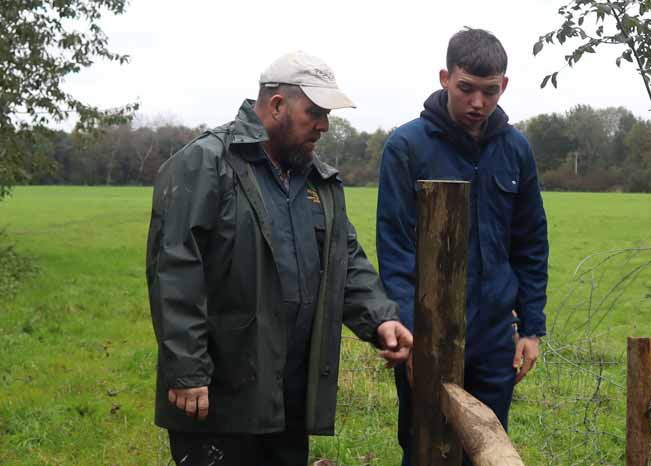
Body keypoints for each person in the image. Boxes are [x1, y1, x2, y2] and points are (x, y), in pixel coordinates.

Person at [146, 50, 413, 466]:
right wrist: (187, 371)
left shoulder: (317, 179)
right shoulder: (207, 163)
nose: (324, 125)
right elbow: (175, 270)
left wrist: (380, 317)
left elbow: (343, 255)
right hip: (221, 392)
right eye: (315, 112)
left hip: (290, 393)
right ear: (276, 105)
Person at [376, 28, 549, 465]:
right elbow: (395, 250)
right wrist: (409, 334)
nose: (478, 103)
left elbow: (530, 243)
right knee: (425, 446)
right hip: (428, 334)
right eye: (466, 88)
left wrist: (530, 328)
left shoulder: (516, 149)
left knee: (488, 447)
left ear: (503, 86)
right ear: (444, 78)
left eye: (489, 91)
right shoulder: (406, 147)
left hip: (494, 336)